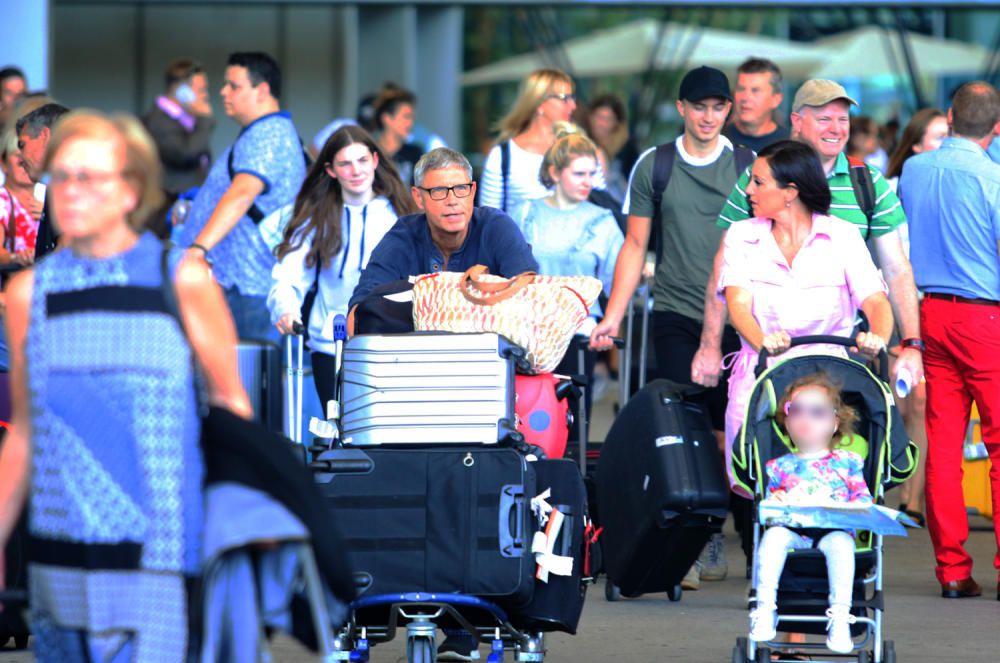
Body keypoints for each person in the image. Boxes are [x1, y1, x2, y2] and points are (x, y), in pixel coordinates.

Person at [0, 110, 252, 660]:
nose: (68, 191)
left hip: (158, 558)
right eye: (60, 176)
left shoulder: (180, 280)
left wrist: (240, 535)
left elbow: (231, 407)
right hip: (60, 554)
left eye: (89, 177)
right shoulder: (27, 296)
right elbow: (23, 429)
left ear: (131, 189)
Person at [590, 66, 750, 588]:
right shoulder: (654, 165)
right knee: (692, 423)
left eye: (718, 107)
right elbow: (635, 246)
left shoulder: (749, 165)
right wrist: (611, 317)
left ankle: (749, 536)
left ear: (729, 110)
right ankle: (701, 534)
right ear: (681, 108)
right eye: (699, 106)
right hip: (678, 309)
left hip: (742, 313)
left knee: (737, 426)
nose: (708, 117)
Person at [703, 79, 923, 407]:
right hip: (764, 365)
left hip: (842, 356)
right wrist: (710, 344)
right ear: (796, 121)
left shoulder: (868, 182)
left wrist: (909, 343)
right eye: (824, 119)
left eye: (843, 119)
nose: (836, 128)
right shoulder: (759, 176)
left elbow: (895, 271)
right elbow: (727, 272)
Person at [719, 139, 893, 491]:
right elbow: (738, 305)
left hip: (829, 378)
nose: (748, 190)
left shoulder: (841, 235)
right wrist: (764, 342)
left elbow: (875, 300)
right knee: (758, 485)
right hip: (762, 376)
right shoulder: (742, 235)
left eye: (758, 182)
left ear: (790, 192)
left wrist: (879, 337)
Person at [899, 81, 1000, 601]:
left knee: (941, 444)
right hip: (986, 320)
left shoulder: (915, 170)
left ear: (951, 118)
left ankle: (953, 570)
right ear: (997, 127)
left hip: (929, 313)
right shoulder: (994, 180)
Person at [269, 125, 416, 407]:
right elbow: (288, 274)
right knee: (339, 432)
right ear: (330, 170)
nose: (356, 170)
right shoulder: (317, 216)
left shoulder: (399, 216)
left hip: (389, 343)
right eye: (345, 163)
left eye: (362, 161)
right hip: (329, 344)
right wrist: (285, 308)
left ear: (375, 161)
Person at [177, 51, 307, 342]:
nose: (223, 92)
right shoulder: (261, 133)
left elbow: (243, 193)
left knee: (245, 379)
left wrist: (198, 249)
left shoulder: (268, 134)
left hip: (247, 288)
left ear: (261, 91)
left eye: (233, 85)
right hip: (242, 286)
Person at [347, 147, 538, 334]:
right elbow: (356, 318)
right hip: (415, 360)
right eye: (439, 191)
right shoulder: (403, 236)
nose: (452, 200)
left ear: (472, 192)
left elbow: (532, 301)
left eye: (461, 188)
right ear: (418, 198)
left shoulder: (496, 227)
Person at [748, 373, 872, 654]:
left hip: (833, 531)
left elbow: (863, 501)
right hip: (794, 532)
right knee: (773, 537)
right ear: (786, 419)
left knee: (842, 544)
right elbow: (769, 512)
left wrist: (847, 506)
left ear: (834, 423)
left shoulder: (847, 462)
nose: (805, 419)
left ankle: (840, 615)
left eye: (817, 413)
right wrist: (776, 501)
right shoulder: (778, 467)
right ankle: (765, 607)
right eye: (796, 411)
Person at [512, 123, 623, 417]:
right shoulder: (524, 213)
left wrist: (610, 325)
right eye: (579, 174)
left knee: (573, 422)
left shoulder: (603, 220)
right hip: (527, 332)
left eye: (592, 173)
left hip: (580, 331)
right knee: (527, 418)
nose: (588, 182)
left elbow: (617, 284)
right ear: (554, 173)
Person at [883, 107, 948, 525]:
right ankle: (896, 480)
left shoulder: (952, 184)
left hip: (933, 300)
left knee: (923, 400)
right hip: (893, 301)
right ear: (917, 144)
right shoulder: (891, 187)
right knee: (902, 400)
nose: (947, 143)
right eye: (940, 137)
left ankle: (914, 498)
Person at [479, 68, 605, 213]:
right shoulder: (502, 156)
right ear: (539, 102)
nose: (573, 105)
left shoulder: (582, 150)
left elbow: (600, 204)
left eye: (573, 98)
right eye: (565, 98)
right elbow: (489, 220)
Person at [142, 58, 215, 201]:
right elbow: (185, 154)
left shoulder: (184, 119)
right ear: (182, 91)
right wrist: (205, 121)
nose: (205, 95)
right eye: (201, 90)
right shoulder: (159, 120)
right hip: (169, 202)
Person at [15, 101, 70, 261]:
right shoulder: (55, 183)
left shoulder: (67, 186)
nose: (20, 159)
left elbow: (69, 245)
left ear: (45, 136)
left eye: (22, 145)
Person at [723, 58, 790, 153]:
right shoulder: (718, 141)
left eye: (755, 90)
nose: (745, 97)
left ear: (776, 99)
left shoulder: (791, 147)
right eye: (741, 89)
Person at [0, 127, 41, 269]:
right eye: (18, 156)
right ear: (3, 163)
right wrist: (17, 257)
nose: (24, 163)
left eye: (32, 155)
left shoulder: (49, 199)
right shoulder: (2, 202)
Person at [587, 94, 639, 199]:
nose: (603, 124)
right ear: (590, 117)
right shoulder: (582, 144)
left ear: (617, 123)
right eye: (599, 117)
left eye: (609, 119)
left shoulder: (627, 150)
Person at [886, 108, 948, 191]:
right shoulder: (892, 189)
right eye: (940, 137)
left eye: (951, 137)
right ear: (917, 145)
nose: (949, 142)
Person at [372, 85, 423, 184]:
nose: (410, 123)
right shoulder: (369, 152)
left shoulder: (414, 153)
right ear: (387, 118)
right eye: (406, 117)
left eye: (412, 118)